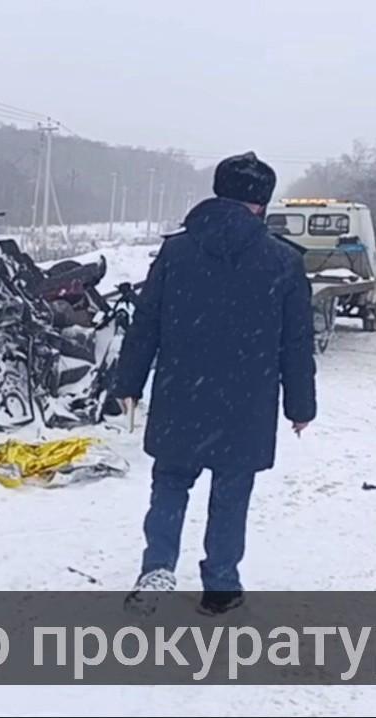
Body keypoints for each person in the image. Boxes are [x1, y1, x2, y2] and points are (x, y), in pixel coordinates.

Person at [113, 152, 316, 615]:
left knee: (170, 484)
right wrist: (300, 406)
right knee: (231, 494)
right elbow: (296, 342)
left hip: (181, 394)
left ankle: (156, 569)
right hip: (247, 402)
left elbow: (146, 324)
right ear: (260, 203)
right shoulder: (283, 260)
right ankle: (221, 585)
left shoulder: (177, 251)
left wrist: (129, 382)